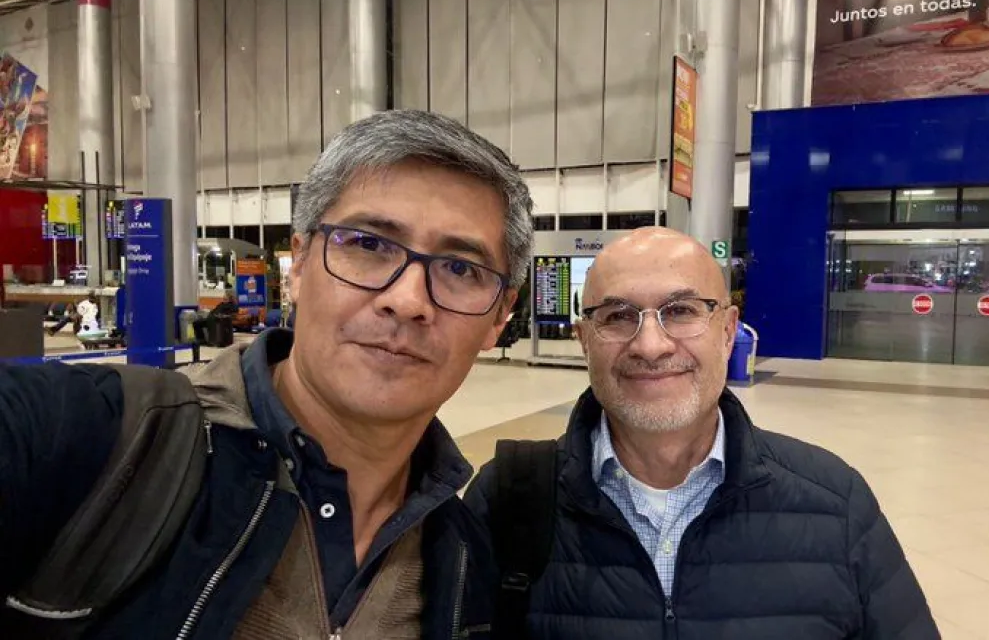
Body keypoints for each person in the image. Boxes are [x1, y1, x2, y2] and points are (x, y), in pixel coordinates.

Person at [1, 109, 533, 638]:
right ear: (298, 267)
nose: (407, 300)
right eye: (369, 245)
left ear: (499, 317)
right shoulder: (100, 444)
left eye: (461, 268)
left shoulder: (467, 564)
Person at [465, 227, 938, 640]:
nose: (650, 346)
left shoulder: (836, 502)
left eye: (682, 310)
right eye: (617, 316)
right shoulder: (507, 499)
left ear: (729, 332)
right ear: (585, 339)